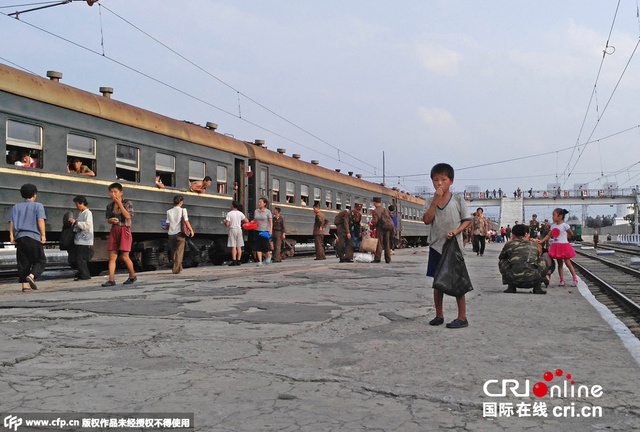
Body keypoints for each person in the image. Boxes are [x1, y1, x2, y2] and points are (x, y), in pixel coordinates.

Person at [423, 163, 472, 329]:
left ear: (451, 181)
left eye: (443, 179)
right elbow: (427, 220)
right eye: (435, 180)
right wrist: (435, 200)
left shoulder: (458, 200)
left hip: (454, 247)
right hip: (436, 246)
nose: (439, 183)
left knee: (457, 282)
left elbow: (466, 220)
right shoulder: (430, 201)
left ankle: (462, 317)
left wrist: (457, 231)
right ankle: (439, 314)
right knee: (437, 283)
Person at [9, 183, 47, 292]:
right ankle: (32, 275)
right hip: (33, 237)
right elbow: (40, 220)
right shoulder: (38, 206)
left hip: (20, 238)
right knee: (40, 261)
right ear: (34, 195)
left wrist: (12, 236)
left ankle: (24, 286)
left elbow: (11, 222)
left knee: (23, 262)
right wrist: (43, 235)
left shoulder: (16, 207)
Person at [102, 183, 136, 286]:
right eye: (111, 192)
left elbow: (128, 216)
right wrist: (111, 220)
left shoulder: (127, 203)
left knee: (125, 256)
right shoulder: (109, 206)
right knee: (112, 256)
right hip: (114, 230)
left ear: (121, 193)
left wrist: (120, 204)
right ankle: (111, 279)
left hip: (124, 230)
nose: (113, 194)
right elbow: (108, 219)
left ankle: (132, 275)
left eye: (115, 192)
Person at [498, 224, 547, 294]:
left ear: (513, 235)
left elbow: (501, 257)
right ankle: (537, 287)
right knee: (542, 260)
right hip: (533, 280)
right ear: (526, 234)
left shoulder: (509, 244)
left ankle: (511, 286)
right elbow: (537, 258)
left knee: (502, 261)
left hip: (514, 280)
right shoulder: (533, 245)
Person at [537, 208, 578, 287]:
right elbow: (548, 235)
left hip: (564, 246)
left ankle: (575, 279)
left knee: (568, 263)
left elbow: (571, 233)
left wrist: (566, 240)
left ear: (560, 217)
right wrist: (542, 241)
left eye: (554, 215)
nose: (552, 217)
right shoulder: (553, 226)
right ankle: (562, 280)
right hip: (556, 246)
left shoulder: (565, 226)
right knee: (560, 264)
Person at [165, 195, 194, 274]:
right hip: (179, 234)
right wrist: (191, 230)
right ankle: (176, 269)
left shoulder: (169, 211)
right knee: (179, 252)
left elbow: (167, 224)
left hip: (171, 234)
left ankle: (179, 267)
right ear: (181, 202)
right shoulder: (183, 210)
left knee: (173, 251)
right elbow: (186, 221)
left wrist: (166, 228)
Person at [67, 195, 93, 281]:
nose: (76, 206)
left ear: (82, 203)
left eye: (77, 204)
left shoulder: (88, 213)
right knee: (79, 258)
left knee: (81, 258)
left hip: (84, 239)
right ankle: (82, 274)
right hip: (80, 239)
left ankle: (85, 275)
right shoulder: (81, 213)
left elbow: (87, 225)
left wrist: (76, 222)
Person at [223, 201, 248, 266]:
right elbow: (246, 221)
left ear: (232, 206)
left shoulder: (229, 214)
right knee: (239, 246)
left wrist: (224, 222)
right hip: (239, 229)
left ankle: (234, 260)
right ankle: (239, 260)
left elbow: (228, 224)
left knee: (233, 246)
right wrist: (241, 223)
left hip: (232, 229)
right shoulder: (240, 213)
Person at [371, 197, 394, 263]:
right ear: (380, 203)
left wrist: (372, 228)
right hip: (387, 228)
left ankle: (377, 258)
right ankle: (388, 259)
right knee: (387, 244)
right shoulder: (385, 209)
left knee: (379, 243)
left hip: (380, 228)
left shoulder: (375, 211)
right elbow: (391, 216)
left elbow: (375, 221)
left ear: (374, 203)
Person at [252, 197, 272, 266]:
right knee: (258, 247)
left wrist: (270, 230)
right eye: (259, 202)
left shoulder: (268, 212)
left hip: (265, 231)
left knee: (265, 247)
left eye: (260, 202)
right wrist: (251, 222)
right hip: (257, 230)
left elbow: (270, 221)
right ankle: (260, 262)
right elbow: (255, 219)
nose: (259, 203)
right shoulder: (256, 211)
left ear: (264, 204)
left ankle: (268, 256)